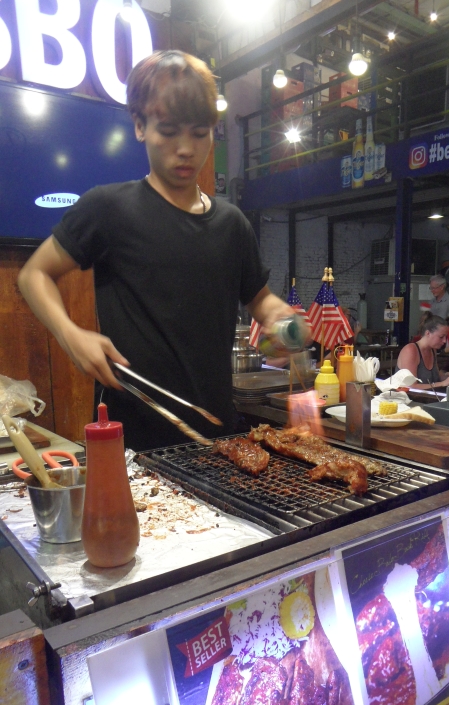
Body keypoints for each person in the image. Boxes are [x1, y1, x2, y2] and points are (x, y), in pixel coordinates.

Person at [17, 51, 296, 451]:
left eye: (199, 133)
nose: (185, 149)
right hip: (131, 441)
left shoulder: (232, 224)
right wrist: (71, 335)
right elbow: (34, 274)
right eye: (168, 131)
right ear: (139, 126)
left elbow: (259, 300)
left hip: (216, 438)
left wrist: (278, 316)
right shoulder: (109, 208)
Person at [397, 313, 449, 389]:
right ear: (428, 333)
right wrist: (442, 383)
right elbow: (410, 386)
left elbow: (435, 376)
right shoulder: (410, 350)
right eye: (441, 337)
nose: (444, 341)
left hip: (429, 395)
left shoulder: (432, 349)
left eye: (445, 337)